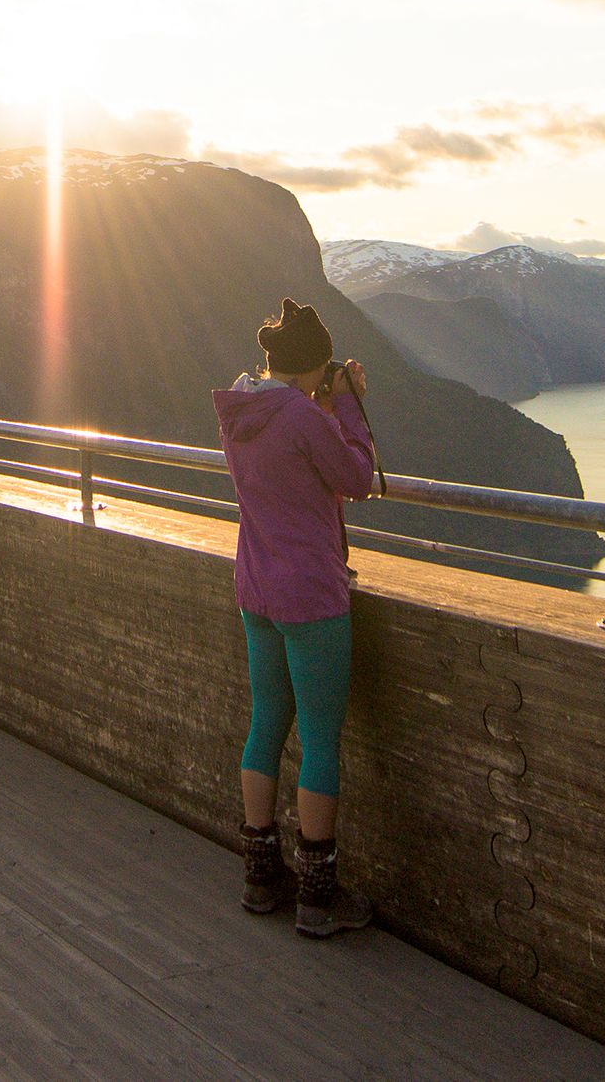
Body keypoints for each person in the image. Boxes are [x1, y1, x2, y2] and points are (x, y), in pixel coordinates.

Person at [215, 297, 377, 937]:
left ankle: (261, 878)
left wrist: (320, 398)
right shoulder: (305, 418)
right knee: (319, 742)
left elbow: (289, 464)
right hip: (311, 597)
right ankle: (317, 896)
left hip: (256, 588)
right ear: (314, 364)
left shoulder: (241, 406)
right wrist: (350, 406)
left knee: (265, 727)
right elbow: (358, 478)